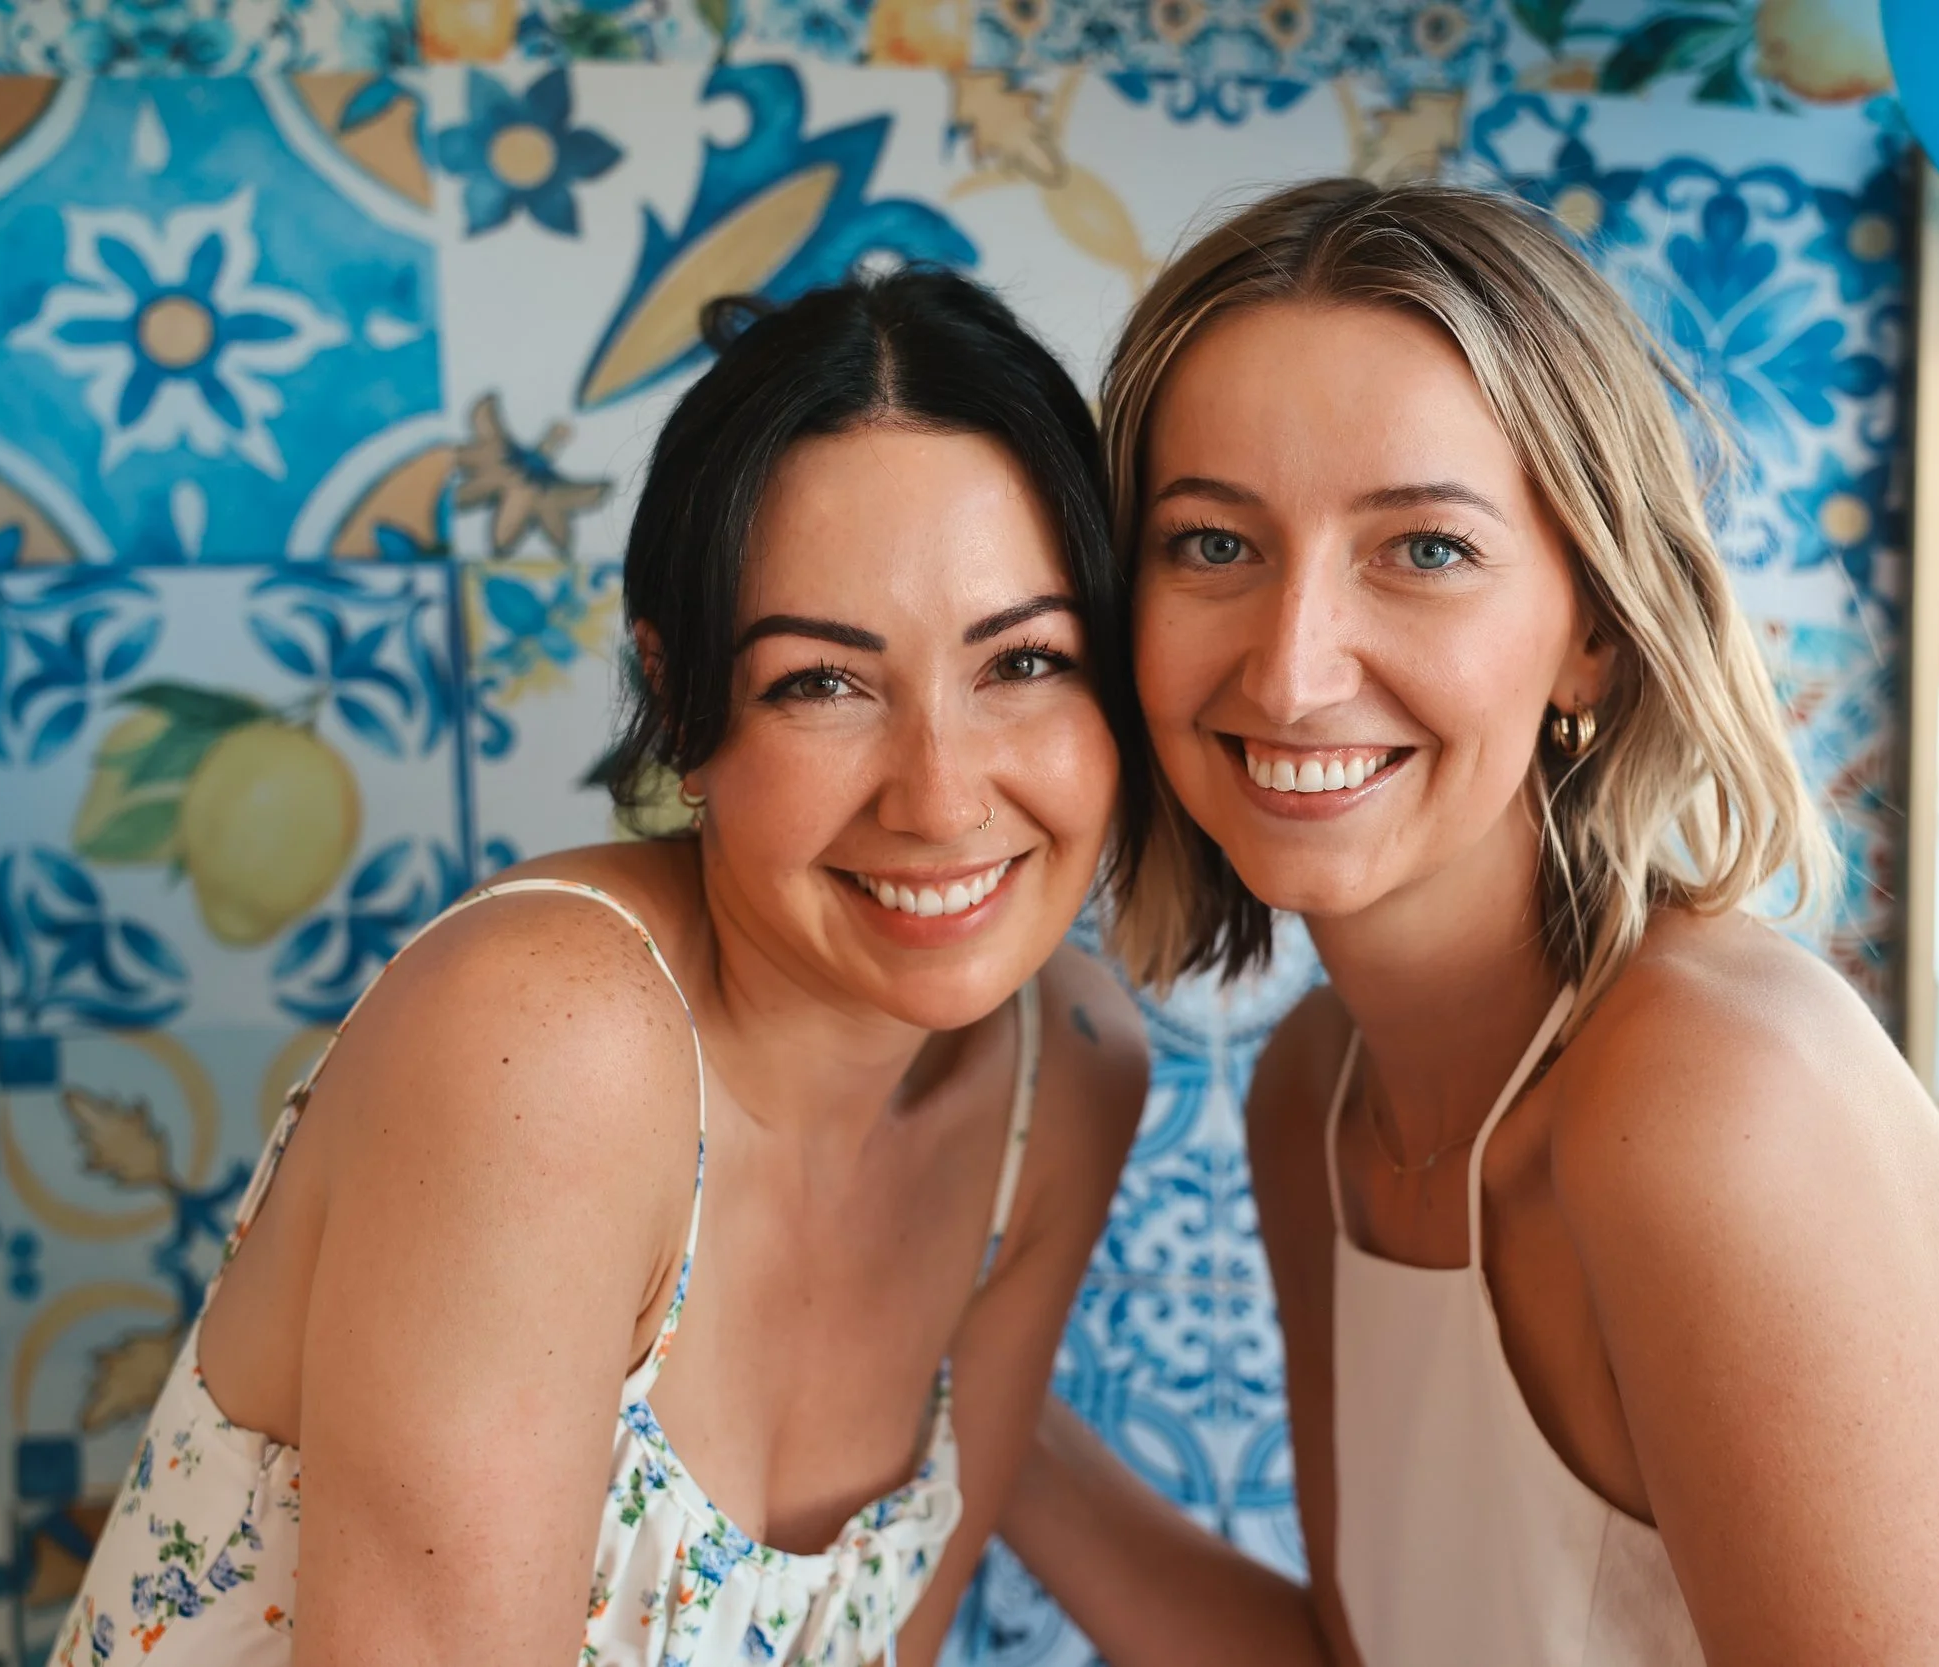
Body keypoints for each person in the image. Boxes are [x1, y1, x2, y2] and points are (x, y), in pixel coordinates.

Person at [999, 179, 1939, 1665]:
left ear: (1590, 628)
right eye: (1212, 543)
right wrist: (964, 1368)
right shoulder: (1315, 1093)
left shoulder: (1709, 1089)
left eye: (1425, 548)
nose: (1293, 664)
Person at [56, 268, 1153, 1667]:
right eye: (821, 681)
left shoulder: (1069, 1077)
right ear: (684, 705)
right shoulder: (550, 1038)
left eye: (1029, 661)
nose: (940, 797)